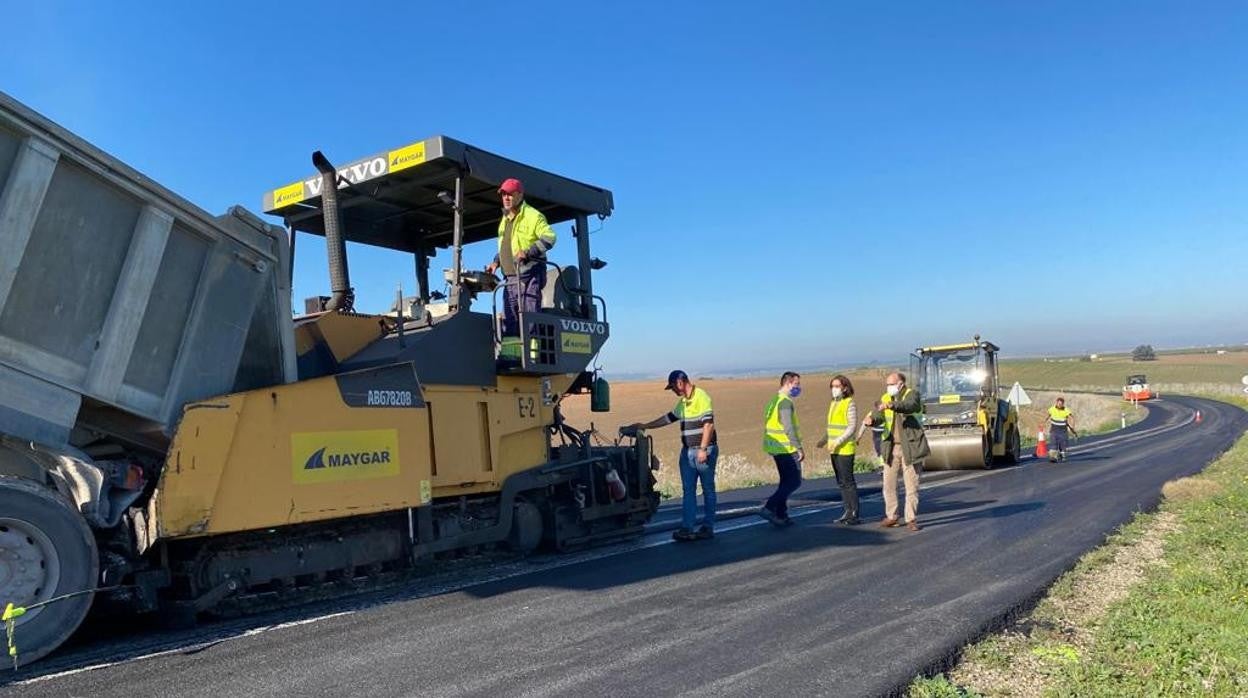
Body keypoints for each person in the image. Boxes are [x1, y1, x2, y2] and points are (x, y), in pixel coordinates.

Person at [623, 370, 717, 541]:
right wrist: (645, 425)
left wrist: (703, 449)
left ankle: (707, 527)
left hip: (704, 451)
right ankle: (687, 528)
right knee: (688, 491)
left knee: (708, 490)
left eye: (673, 387)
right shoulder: (683, 402)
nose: (673, 391)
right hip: (687, 452)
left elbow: (708, 425)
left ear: (680, 383)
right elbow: (668, 418)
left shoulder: (701, 397)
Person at [485, 178, 556, 337]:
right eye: (503, 194)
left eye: (510, 194)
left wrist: (528, 252)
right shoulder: (505, 220)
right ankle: (512, 358)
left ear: (520, 195)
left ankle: (532, 355)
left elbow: (550, 238)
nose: (506, 198)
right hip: (510, 278)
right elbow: (508, 247)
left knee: (529, 316)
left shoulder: (533, 215)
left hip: (529, 275)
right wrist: (496, 262)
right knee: (510, 320)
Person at [878, 372, 930, 532]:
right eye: (887, 384)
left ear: (900, 384)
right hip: (891, 447)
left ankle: (911, 519)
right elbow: (880, 415)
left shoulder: (912, 394)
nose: (889, 387)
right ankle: (892, 516)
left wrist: (892, 405)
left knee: (911, 486)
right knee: (888, 485)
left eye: (891, 384)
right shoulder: (886, 398)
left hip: (911, 447)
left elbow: (910, 405)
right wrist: (872, 419)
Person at [760, 372, 804, 526]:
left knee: (785, 482)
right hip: (786, 448)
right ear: (787, 383)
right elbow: (788, 427)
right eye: (796, 384)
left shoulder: (774, 401)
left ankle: (781, 513)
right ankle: (769, 507)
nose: (798, 387)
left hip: (776, 448)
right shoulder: (784, 402)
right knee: (794, 482)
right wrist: (798, 448)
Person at [817, 375, 860, 525]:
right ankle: (847, 510)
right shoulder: (833, 404)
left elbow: (851, 427)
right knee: (841, 482)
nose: (834, 389)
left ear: (845, 388)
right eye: (832, 386)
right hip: (833, 448)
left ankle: (854, 512)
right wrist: (824, 440)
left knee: (848, 481)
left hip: (845, 449)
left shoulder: (849, 403)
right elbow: (832, 426)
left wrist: (838, 441)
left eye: (837, 386)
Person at [1044, 396, 1077, 462]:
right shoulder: (1052, 409)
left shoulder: (1066, 410)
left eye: (1061, 404)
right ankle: (1053, 457)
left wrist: (1072, 427)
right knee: (1053, 444)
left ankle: (1062, 454)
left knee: (1062, 445)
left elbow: (1072, 418)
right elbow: (1047, 415)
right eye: (1058, 404)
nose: (1060, 405)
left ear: (1063, 404)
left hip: (1063, 431)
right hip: (1054, 430)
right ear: (1056, 403)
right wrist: (1043, 422)